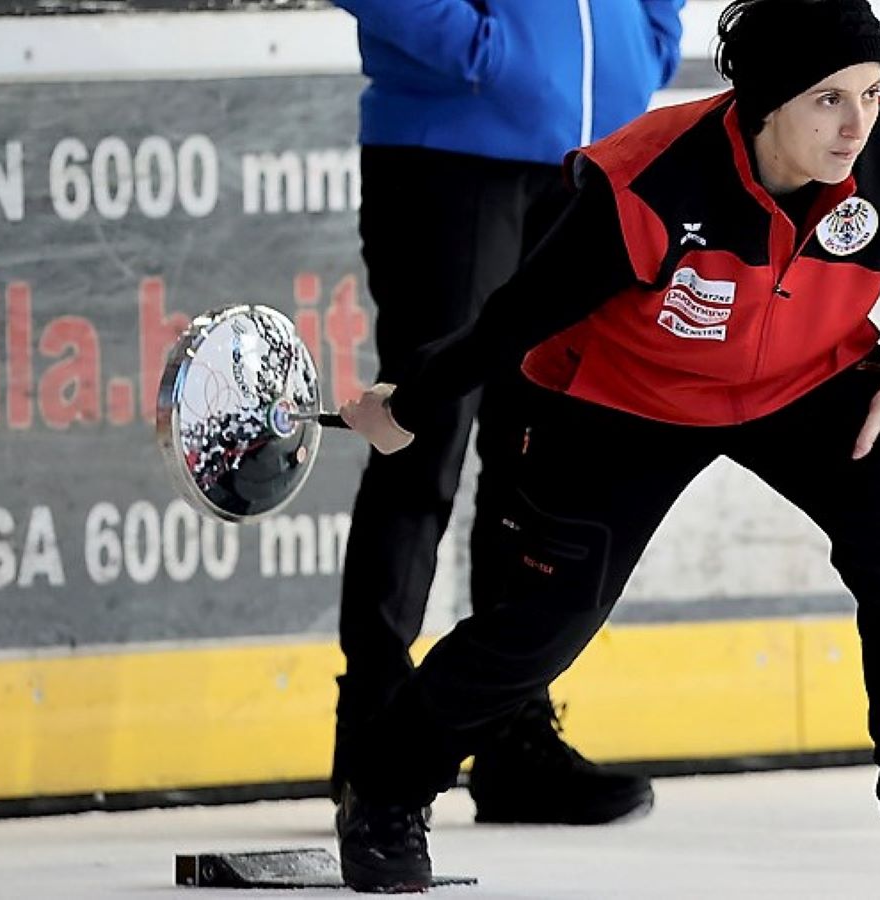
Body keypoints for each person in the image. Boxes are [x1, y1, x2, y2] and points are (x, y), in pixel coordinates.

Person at [337, 0, 880, 895]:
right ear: (768, 101)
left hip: (808, 382)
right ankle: (385, 788)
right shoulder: (651, 183)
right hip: (629, 399)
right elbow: (516, 316)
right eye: (827, 100)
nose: (856, 124)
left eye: (871, 93)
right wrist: (410, 401)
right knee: (545, 620)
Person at [327, 0, 686, 830]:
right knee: (419, 435)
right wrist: (483, 51)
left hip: (591, 154)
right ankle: (375, 737)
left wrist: (647, 41)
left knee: (540, 452)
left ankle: (510, 736)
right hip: (451, 145)